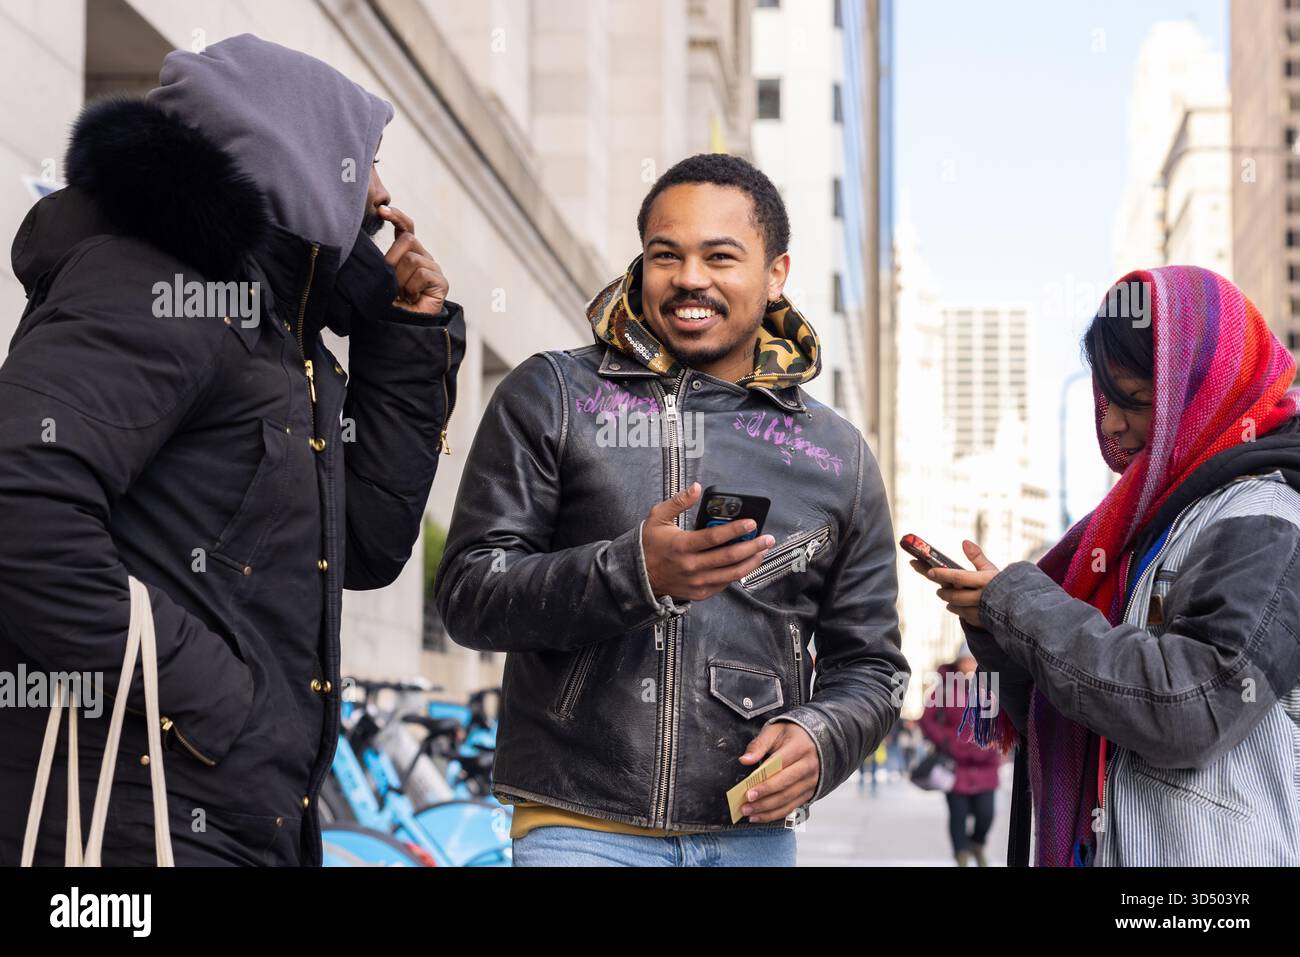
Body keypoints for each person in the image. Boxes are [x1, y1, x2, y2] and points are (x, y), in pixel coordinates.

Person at [0, 34, 465, 866]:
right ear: (297, 153)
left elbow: (360, 545)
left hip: (238, 813)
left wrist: (405, 337)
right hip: (124, 815)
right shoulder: (152, 283)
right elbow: (19, 504)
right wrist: (210, 701)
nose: (385, 193)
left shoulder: (282, 344)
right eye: (366, 158)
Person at [435, 153, 907, 867]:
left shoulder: (836, 452)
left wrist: (823, 733)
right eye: (666, 255)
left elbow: (872, 664)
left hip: (751, 834)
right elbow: (470, 594)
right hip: (578, 829)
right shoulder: (553, 395)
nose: (690, 278)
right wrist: (634, 571)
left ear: (776, 272)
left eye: (720, 256)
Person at [913, 266, 1300, 866]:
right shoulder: (1151, 524)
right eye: (1105, 399)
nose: (1113, 424)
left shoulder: (1265, 516)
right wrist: (999, 632)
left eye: (1136, 402)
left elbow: (1189, 708)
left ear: (1204, 391)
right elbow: (1079, 710)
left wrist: (1023, 604)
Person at [918, 644, 1001, 866]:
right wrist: (946, 741)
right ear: (958, 663)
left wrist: (995, 740)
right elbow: (926, 720)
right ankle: (961, 856)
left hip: (986, 765)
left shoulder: (991, 688)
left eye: (974, 661)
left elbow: (1004, 719)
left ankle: (976, 843)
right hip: (955, 766)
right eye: (966, 661)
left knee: (986, 814)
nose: (970, 665)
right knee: (958, 815)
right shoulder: (945, 689)